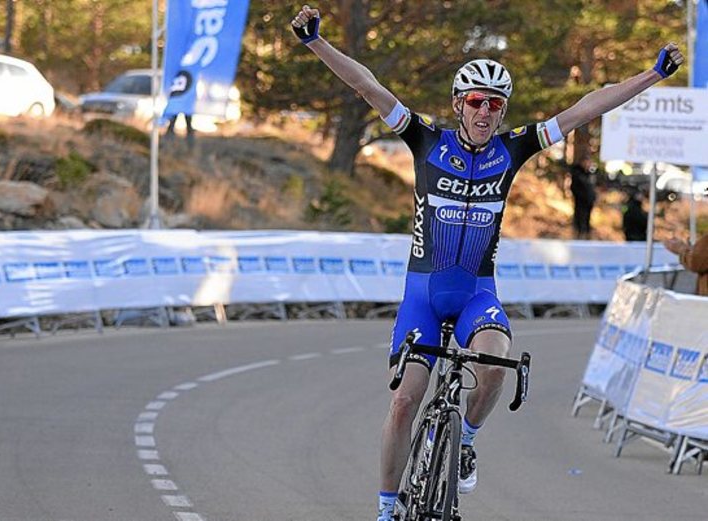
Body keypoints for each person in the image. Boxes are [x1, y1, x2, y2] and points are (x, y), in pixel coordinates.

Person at [290, 6, 683, 520]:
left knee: (496, 361)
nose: (485, 111)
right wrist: (315, 42)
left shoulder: (511, 150)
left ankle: (467, 442)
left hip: (477, 293)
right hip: (423, 296)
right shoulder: (426, 140)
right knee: (405, 401)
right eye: (476, 101)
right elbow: (368, 86)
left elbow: (586, 108)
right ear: (459, 104)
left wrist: (653, 74)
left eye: (495, 104)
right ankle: (386, 510)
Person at [569, 158, 596, 239]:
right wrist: (581, 196)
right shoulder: (578, 174)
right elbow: (575, 188)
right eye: (587, 163)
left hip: (588, 201)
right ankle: (579, 234)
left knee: (586, 219)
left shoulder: (589, 174)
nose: (588, 165)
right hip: (581, 201)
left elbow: (591, 187)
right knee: (580, 218)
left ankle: (585, 233)